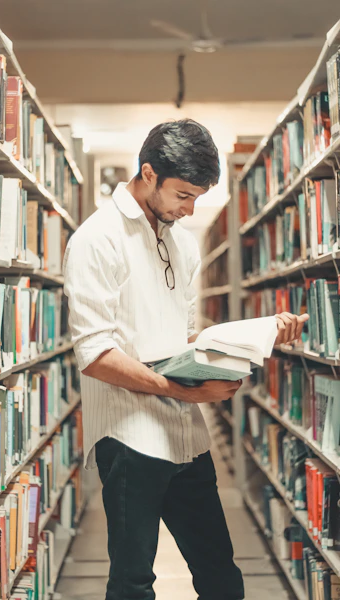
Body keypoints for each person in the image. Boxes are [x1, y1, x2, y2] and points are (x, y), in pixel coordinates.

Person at [63, 119, 309, 600]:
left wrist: (253, 338)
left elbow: (184, 336)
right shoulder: (97, 240)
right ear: (149, 173)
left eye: (199, 196)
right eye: (183, 194)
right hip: (129, 436)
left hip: (185, 436)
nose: (190, 208)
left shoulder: (183, 242)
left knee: (221, 575)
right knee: (133, 582)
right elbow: (94, 354)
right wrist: (182, 389)